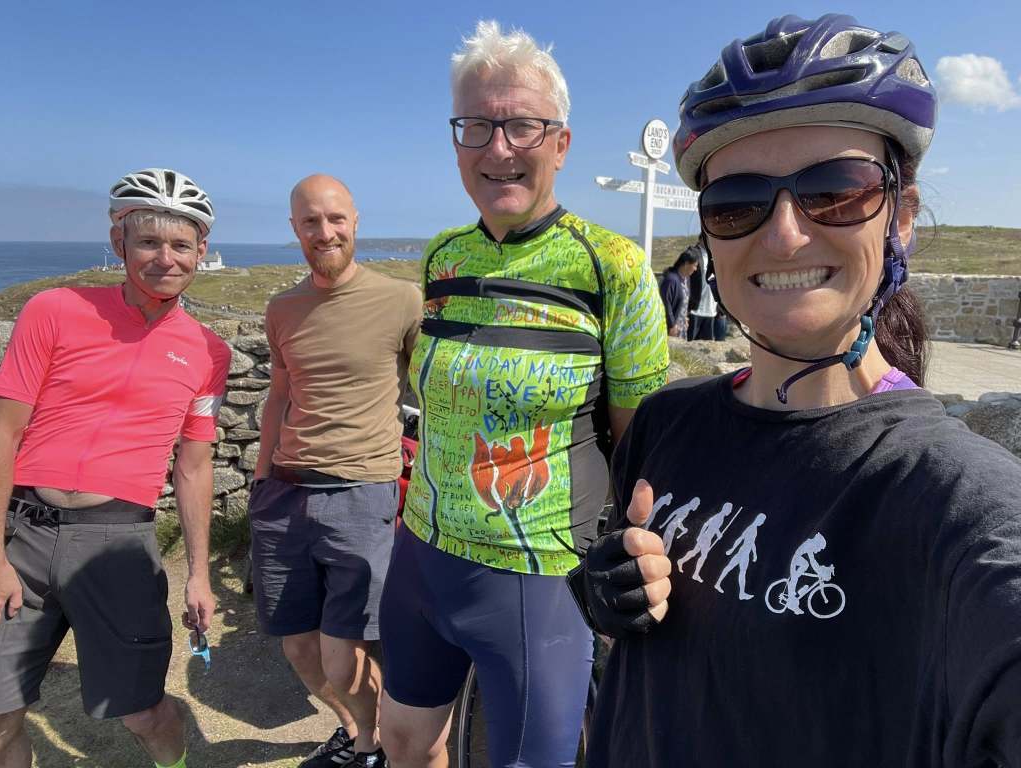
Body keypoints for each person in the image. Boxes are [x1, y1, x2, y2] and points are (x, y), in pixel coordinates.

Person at [570, 13, 1021, 767]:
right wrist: (607, 588)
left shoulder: (955, 504)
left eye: (836, 192)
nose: (783, 235)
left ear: (902, 218)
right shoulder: (664, 425)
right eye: (736, 203)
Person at [378, 20, 669, 768]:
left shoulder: (611, 267)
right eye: (476, 126)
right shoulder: (443, 257)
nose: (498, 148)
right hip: (420, 555)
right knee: (404, 744)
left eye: (522, 126)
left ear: (560, 144)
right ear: (456, 142)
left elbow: (642, 443)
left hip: (539, 576)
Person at [0, 168, 230, 768]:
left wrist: (199, 574)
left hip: (118, 539)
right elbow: (4, 431)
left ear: (201, 251)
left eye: (181, 245)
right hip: (23, 533)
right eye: (148, 241)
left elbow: (194, 465)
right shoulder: (53, 309)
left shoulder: (209, 351)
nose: (164, 258)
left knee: (144, 713)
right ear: (118, 239)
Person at [250, 174, 421, 768]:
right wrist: (261, 479)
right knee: (299, 646)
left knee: (342, 653)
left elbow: (431, 390)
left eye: (335, 218)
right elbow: (279, 395)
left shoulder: (401, 300)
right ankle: (353, 731)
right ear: (295, 229)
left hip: (360, 492)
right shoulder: (282, 309)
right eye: (310, 221)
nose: (325, 232)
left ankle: (374, 747)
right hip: (283, 494)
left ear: (355, 221)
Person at [659, 248, 698, 338]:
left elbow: (684, 302)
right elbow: (665, 304)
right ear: (686, 264)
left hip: (681, 328)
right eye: (694, 266)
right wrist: (671, 325)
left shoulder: (686, 279)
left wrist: (685, 318)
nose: (695, 269)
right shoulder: (671, 280)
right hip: (671, 330)